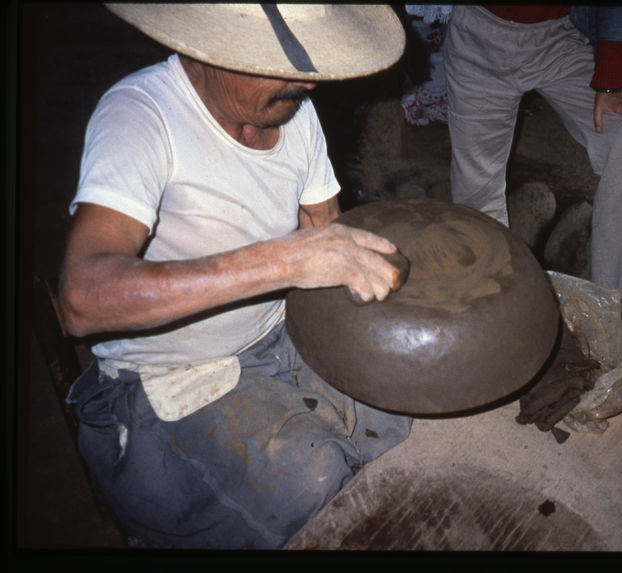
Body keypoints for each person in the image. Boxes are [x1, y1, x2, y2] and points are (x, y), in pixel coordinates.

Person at [58, 4, 413, 549]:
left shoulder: (292, 113)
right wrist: (282, 261)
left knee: (394, 410)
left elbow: (327, 230)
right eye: (282, 63)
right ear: (211, 48)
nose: (309, 84)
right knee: (309, 480)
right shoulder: (141, 115)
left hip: (277, 332)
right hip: (169, 375)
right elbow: (83, 298)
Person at [444, 5, 622, 301]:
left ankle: (620, 302)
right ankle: (493, 306)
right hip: (478, 33)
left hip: (557, 38)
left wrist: (611, 81)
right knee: (476, 191)